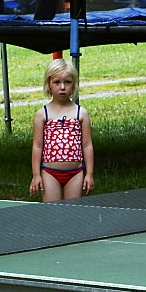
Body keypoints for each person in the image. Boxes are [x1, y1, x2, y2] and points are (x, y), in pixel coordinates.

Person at [30, 57, 94, 201]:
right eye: (57, 82)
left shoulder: (80, 113)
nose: (63, 87)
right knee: (52, 211)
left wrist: (89, 174)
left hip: (75, 173)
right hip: (49, 173)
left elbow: (87, 145)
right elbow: (37, 146)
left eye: (68, 82)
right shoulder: (42, 114)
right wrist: (36, 175)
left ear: (74, 84)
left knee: (73, 209)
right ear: (49, 84)